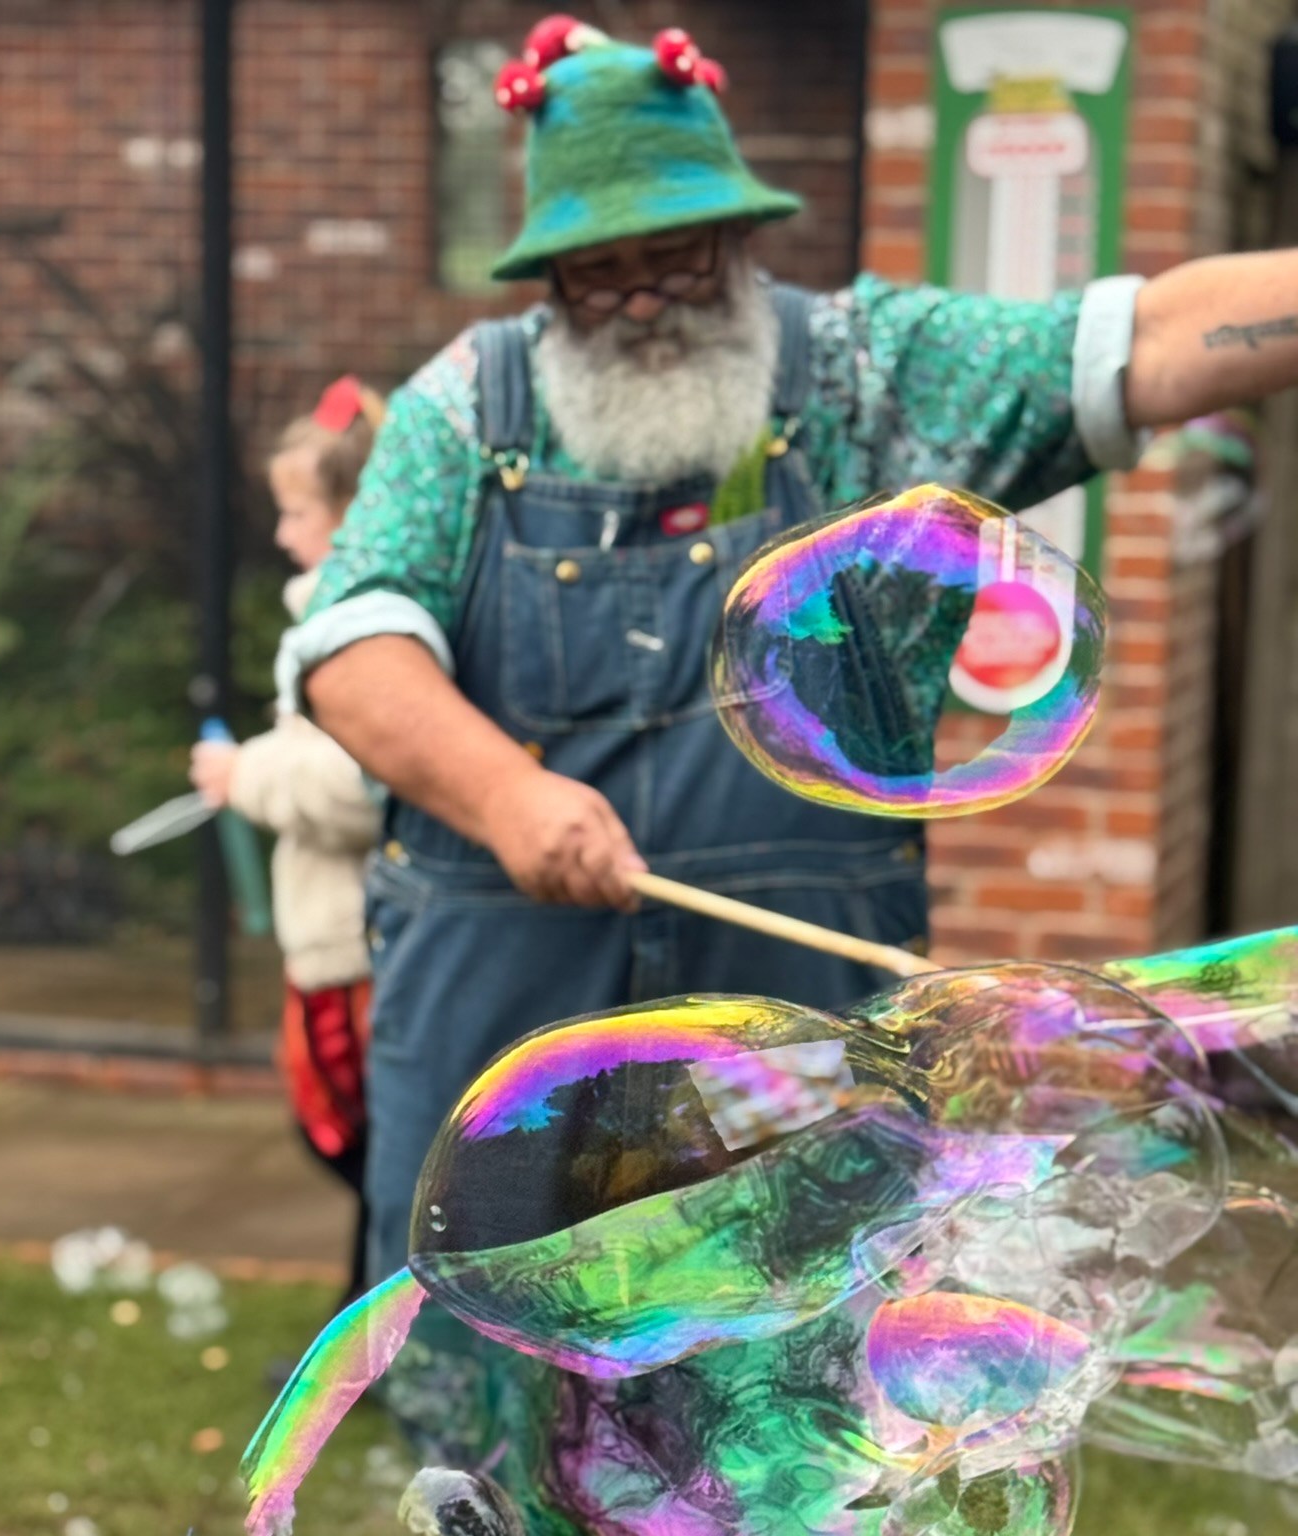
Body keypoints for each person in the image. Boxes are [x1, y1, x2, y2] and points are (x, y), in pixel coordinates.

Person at [274, 17, 1298, 1528]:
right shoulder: (459, 410)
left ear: (743, 238)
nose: (641, 303)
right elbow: (353, 654)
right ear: (546, 280)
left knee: (787, 1431)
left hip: (790, 1054)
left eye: (677, 258)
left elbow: (1147, 339)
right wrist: (511, 799)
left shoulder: (877, 374)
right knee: (486, 1440)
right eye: (597, 272)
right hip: (513, 1028)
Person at [192, 376, 385, 1318]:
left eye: (296, 510)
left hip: (357, 938)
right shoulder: (327, 612)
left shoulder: (354, 623)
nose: (281, 533)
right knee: (356, 1135)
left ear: (350, 514)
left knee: (350, 1133)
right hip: (328, 935)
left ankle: (395, 1323)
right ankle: (373, 1318)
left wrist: (247, 781)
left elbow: (363, 786)